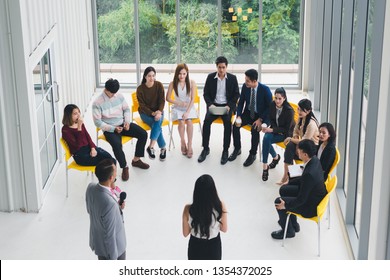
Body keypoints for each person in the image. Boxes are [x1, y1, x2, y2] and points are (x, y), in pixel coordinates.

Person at [93, 78, 149, 182]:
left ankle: (136, 160)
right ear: (106, 89)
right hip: (110, 128)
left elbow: (126, 109)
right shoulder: (97, 103)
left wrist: (127, 121)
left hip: (123, 124)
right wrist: (113, 129)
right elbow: (97, 122)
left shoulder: (118, 95)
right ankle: (124, 167)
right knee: (117, 145)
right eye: (111, 93)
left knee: (143, 134)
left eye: (115, 92)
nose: (114, 95)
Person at [272, 139, 327, 239]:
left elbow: (301, 199)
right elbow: (304, 181)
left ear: (305, 154)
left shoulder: (309, 173)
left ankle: (288, 231)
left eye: (299, 151)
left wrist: (286, 205)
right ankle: (294, 225)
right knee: (284, 189)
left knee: (278, 202)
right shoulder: (314, 160)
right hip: (311, 194)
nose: (297, 152)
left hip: (310, 206)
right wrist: (290, 182)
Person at [198, 56, 240, 165]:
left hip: (226, 107)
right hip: (214, 106)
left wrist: (229, 106)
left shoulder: (232, 78)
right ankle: (205, 148)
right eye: (219, 67)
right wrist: (210, 105)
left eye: (223, 67)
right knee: (206, 123)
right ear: (216, 67)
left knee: (227, 124)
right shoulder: (210, 77)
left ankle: (225, 150)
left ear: (226, 67)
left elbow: (236, 94)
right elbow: (205, 93)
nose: (221, 70)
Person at [228, 69, 273, 167]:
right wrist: (239, 115)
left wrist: (261, 119)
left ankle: (253, 154)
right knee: (235, 125)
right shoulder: (245, 86)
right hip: (249, 113)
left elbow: (270, 107)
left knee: (255, 129)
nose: (245, 82)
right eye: (245, 80)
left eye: (248, 80)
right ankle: (237, 148)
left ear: (254, 81)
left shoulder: (265, 90)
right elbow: (240, 103)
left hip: (262, 115)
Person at [86, 158, 127, 259]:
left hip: (98, 242)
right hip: (114, 250)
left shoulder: (90, 187)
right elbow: (110, 236)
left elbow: (90, 210)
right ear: (111, 177)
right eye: (115, 172)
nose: (117, 173)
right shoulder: (110, 204)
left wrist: (117, 207)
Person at [182, 174, 228, 260]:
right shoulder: (220, 206)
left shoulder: (188, 209)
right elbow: (224, 229)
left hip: (195, 246)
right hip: (213, 246)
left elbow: (185, 233)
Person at [278, 98, 319, 185]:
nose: (299, 111)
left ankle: (289, 177)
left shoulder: (311, 124)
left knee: (290, 146)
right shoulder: (302, 118)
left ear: (308, 111)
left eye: (301, 110)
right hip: (303, 145)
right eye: (298, 109)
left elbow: (304, 141)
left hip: (311, 149)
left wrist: (291, 139)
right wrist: (295, 137)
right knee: (290, 147)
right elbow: (295, 131)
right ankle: (286, 175)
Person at [261, 88, 295, 181]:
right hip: (275, 130)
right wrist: (267, 127)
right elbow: (271, 119)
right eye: (276, 98)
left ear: (284, 98)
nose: (277, 101)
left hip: (286, 134)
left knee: (266, 140)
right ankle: (265, 165)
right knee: (266, 139)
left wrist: (272, 130)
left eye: (280, 98)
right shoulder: (272, 104)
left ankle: (275, 158)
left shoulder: (289, 111)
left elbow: (286, 129)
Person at [166, 63, 198, 158]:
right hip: (177, 108)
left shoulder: (192, 82)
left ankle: (190, 144)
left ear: (187, 73)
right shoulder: (173, 83)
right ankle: (183, 142)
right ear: (177, 74)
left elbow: (193, 99)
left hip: (189, 107)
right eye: (180, 74)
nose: (182, 76)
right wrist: (177, 103)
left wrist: (187, 112)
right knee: (181, 122)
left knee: (189, 122)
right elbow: (167, 98)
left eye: (184, 74)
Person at [137, 66, 167, 161]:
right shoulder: (140, 89)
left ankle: (151, 147)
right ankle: (163, 148)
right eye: (149, 76)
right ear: (145, 76)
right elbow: (142, 106)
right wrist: (153, 113)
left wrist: (159, 111)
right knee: (157, 123)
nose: (151, 78)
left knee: (156, 123)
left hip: (159, 111)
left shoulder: (159, 85)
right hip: (145, 114)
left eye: (153, 76)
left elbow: (162, 101)